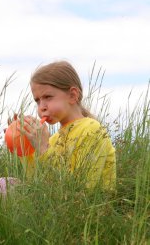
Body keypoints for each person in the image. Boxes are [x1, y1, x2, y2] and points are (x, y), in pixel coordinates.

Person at [19, 60, 116, 191]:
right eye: (37, 101)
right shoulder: (54, 139)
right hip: (56, 208)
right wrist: (23, 147)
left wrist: (43, 149)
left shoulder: (92, 129)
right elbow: (36, 185)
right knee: (2, 185)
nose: (41, 107)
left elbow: (81, 188)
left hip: (90, 209)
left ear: (72, 95)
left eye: (48, 97)